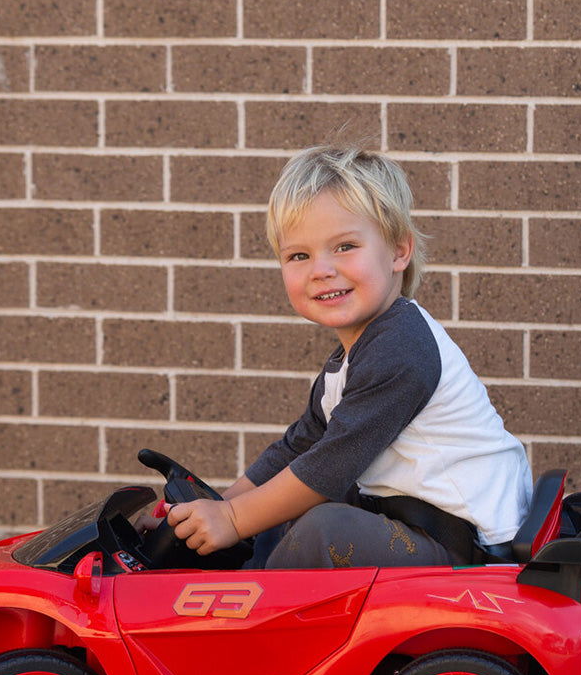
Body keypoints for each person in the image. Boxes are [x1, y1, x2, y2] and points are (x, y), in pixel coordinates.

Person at [166, 143, 532, 569]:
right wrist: (214, 506)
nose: (321, 269)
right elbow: (298, 448)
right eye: (299, 255)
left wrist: (232, 518)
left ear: (399, 251)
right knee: (283, 503)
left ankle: (247, 622)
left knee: (323, 528)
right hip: (412, 526)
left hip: (466, 550)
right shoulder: (352, 356)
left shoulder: (402, 346)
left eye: (344, 247)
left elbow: (330, 466)